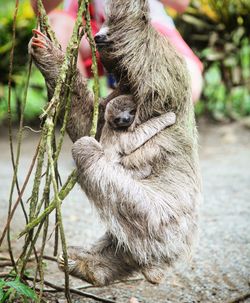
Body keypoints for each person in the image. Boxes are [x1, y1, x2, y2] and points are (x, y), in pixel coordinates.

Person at [31, 0, 203, 101]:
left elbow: (182, 3)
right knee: (53, 29)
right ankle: (83, 117)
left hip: (149, 29)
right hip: (92, 32)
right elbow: (39, 9)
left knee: (189, 85)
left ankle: (144, 124)